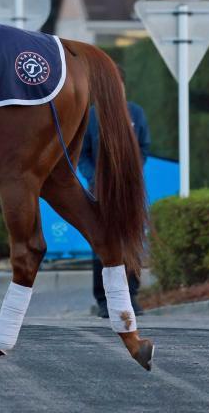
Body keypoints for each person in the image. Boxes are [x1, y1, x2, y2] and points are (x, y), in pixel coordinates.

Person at [79, 64, 151, 318]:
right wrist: (93, 178)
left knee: (130, 241)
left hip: (129, 191)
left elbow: (143, 147)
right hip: (100, 192)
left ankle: (131, 296)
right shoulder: (91, 116)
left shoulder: (136, 114)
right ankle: (103, 300)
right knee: (101, 243)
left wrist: (132, 173)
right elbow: (82, 154)